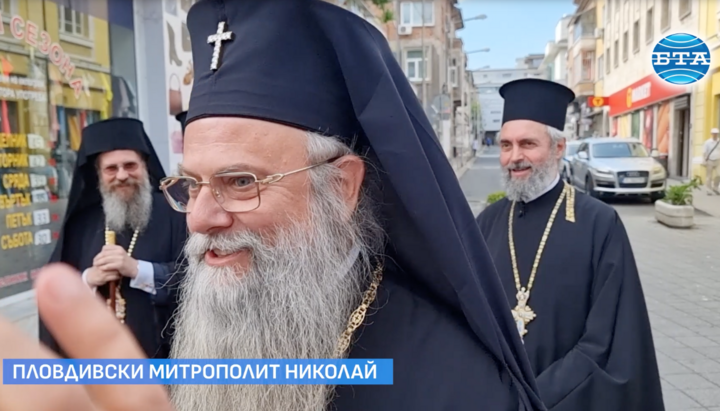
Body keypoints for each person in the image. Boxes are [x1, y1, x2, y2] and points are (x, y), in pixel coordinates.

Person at [1, 2, 545, 411]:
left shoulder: (455, 387)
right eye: (191, 184)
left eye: (240, 182)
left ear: (341, 188)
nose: (198, 217)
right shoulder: (220, 315)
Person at [475, 79, 665, 411]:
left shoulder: (599, 224)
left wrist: (534, 398)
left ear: (559, 148)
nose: (514, 157)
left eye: (528, 144)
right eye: (506, 145)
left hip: (564, 401)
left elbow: (606, 340)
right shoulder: (487, 221)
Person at [39, 118, 188, 360]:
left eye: (130, 165)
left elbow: (194, 280)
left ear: (144, 166)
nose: (122, 175)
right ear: (98, 174)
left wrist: (138, 270)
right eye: (111, 168)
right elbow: (57, 287)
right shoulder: (82, 222)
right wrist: (89, 279)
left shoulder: (176, 213)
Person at [703, 127, 720, 194]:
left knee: (719, 174)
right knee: (709, 176)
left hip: (718, 160)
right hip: (710, 160)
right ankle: (708, 190)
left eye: (716, 134)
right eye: (714, 134)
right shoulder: (707, 142)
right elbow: (704, 152)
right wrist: (704, 159)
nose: (715, 135)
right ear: (711, 134)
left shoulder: (719, 142)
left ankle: (715, 187)